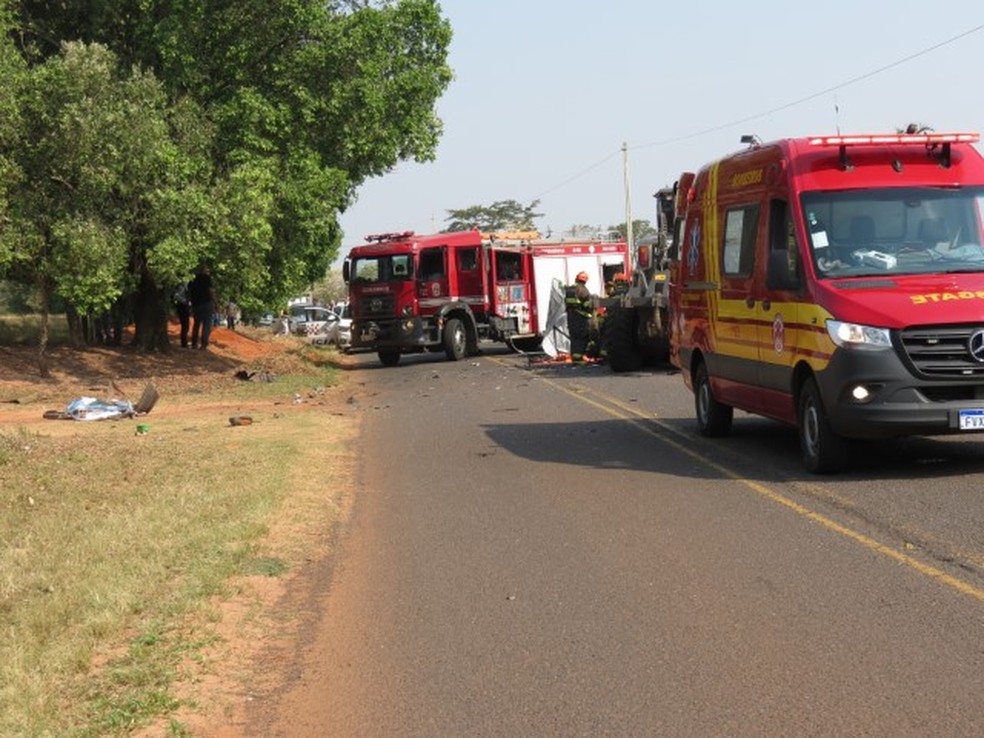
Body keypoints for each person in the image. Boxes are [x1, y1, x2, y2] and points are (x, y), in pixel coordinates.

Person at [564, 271, 593, 362]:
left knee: (574, 337)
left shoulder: (570, 289)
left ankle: (575, 357)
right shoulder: (583, 290)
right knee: (582, 337)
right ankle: (580, 358)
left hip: (571, 318)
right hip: (581, 318)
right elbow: (587, 305)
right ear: (585, 281)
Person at [188, 264, 215, 350]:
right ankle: (203, 344)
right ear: (204, 271)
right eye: (207, 271)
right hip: (206, 303)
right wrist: (216, 302)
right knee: (206, 325)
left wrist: (191, 303)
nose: (208, 273)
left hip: (196, 304)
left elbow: (189, 291)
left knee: (196, 324)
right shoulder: (207, 279)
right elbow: (210, 291)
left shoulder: (193, 279)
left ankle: (194, 343)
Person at [173, 281, 191, 348]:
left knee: (186, 325)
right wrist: (185, 302)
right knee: (185, 324)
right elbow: (176, 296)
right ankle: (184, 342)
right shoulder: (181, 285)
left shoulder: (186, 285)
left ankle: (184, 341)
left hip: (185, 306)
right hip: (182, 306)